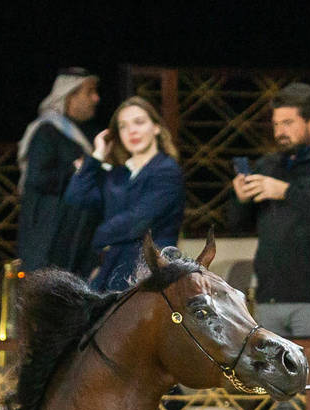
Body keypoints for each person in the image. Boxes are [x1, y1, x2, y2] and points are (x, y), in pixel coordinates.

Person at [226, 81, 310, 338]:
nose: (280, 132)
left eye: (288, 123)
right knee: (269, 378)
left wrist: (287, 192)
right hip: (270, 298)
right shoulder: (268, 165)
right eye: (276, 124)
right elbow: (237, 224)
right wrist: (240, 198)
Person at [62, 96, 184, 292]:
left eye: (139, 122)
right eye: (123, 126)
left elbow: (136, 222)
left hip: (150, 271)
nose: (132, 131)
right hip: (113, 269)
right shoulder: (118, 174)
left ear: (156, 128)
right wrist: (96, 157)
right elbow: (76, 197)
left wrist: (96, 239)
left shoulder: (166, 170)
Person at [17, 68, 101, 274]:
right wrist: (74, 169)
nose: (96, 98)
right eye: (89, 92)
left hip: (71, 237)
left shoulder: (79, 133)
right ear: (69, 95)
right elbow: (37, 179)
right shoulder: (47, 131)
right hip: (47, 239)